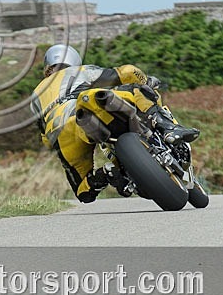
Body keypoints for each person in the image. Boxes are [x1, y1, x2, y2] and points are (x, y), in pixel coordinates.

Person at [31, 44, 199, 203]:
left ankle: (107, 174)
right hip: (85, 106)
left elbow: (45, 138)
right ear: (74, 60)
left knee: (84, 192)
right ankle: (168, 128)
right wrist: (146, 81)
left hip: (61, 137)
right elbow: (127, 71)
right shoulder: (79, 71)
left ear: (48, 67)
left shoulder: (35, 95)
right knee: (137, 90)